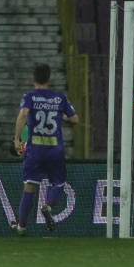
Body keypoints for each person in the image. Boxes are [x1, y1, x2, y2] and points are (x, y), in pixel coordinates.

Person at [10, 63, 80, 235]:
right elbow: (75, 120)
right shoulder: (60, 98)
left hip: (35, 150)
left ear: (33, 79)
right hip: (55, 150)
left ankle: (22, 226)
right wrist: (61, 116)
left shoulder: (29, 97)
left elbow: (23, 114)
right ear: (49, 79)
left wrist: (17, 139)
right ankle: (48, 206)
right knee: (59, 183)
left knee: (30, 186)